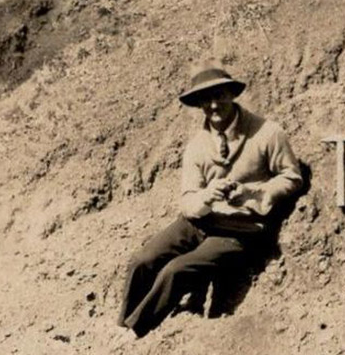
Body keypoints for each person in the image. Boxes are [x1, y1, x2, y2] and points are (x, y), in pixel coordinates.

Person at [117, 66, 304, 336]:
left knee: (176, 271)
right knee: (142, 260)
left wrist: (254, 194)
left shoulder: (267, 133)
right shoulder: (196, 146)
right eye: (206, 100)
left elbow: (292, 177)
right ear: (198, 104)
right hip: (199, 220)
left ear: (232, 94)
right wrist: (207, 196)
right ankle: (122, 324)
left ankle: (136, 332)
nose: (214, 105)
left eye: (220, 95)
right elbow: (188, 200)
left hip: (241, 229)